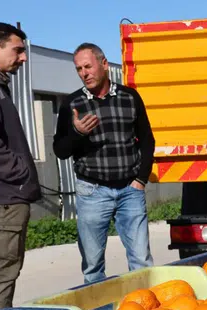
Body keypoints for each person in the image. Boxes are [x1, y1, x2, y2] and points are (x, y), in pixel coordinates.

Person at [53, 43, 155, 284]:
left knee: (141, 260)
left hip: (130, 190)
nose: (83, 73)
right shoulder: (72, 105)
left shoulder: (130, 97)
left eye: (88, 66)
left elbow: (148, 140)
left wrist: (140, 180)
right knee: (93, 265)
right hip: (92, 192)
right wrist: (76, 133)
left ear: (104, 64)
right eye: (78, 69)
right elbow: (60, 150)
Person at [0, 23, 42, 310]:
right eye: (18, 50)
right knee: (2, 274)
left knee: (6, 273)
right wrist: (21, 173)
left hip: (7, 196)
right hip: (4, 197)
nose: (24, 58)